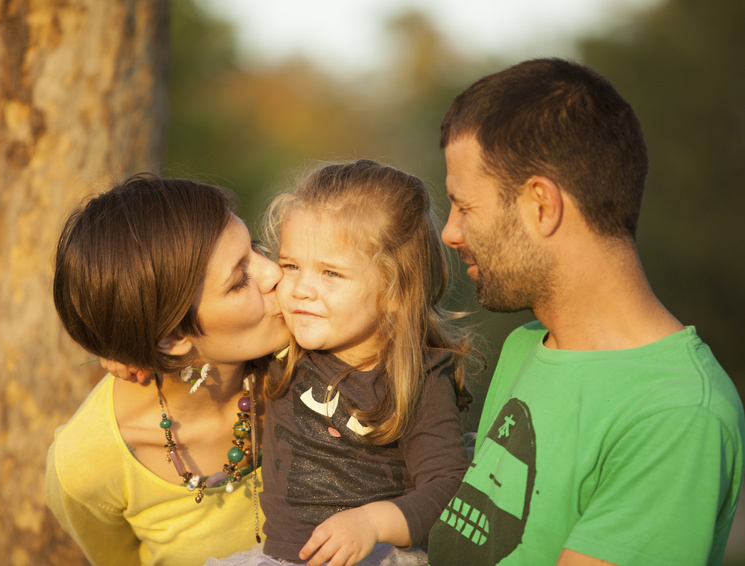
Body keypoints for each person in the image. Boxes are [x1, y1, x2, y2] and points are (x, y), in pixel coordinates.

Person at [427, 58, 745, 566]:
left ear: (541, 206)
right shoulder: (527, 345)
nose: (450, 232)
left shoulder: (678, 415)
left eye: (464, 206)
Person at [207, 159, 475, 566]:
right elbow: (205, 338)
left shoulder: (416, 377)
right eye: (291, 265)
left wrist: (371, 523)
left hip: (378, 556)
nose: (300, 290)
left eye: (331, 273)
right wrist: (132, 354)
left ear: (395, 290)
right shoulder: (286, 347)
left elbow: (448, 489)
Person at [47, 174, 291, 565]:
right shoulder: (86, 465)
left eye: (256, 249)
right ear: (172, 339)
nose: (274, 273)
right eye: (239, 279)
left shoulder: (313, 358)